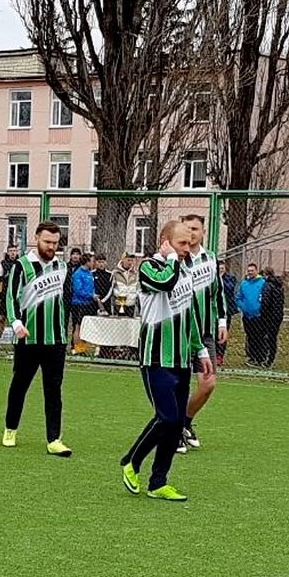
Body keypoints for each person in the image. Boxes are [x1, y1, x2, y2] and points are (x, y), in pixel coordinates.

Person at [120, 220, 215, 502]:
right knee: (168, 417)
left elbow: (190, 314)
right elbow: (166, 283)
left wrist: (200, 351)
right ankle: (131, 461)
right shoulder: (150, 267)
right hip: (155, 357)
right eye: (181, 244)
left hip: (180, 359)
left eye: (189, 243)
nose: (187, 249)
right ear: (165, 241)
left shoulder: (183, 268)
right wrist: (173, 258)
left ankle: (158, 482)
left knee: (175, 426)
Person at [2, 222, 72, 456]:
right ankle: (10, 428)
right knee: (20, 386)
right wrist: (16, 323)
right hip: (28, 340)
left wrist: (68, 330)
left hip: (56, 340)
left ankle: (54, 439)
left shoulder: (62, 266)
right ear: (36, 239)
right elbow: (11, 297)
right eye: (47, 242)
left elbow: (66, 301)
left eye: (55, 243)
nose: (51, 246)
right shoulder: (21, 266)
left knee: (54, 390)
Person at [179, 214, 228, 451]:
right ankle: (174, 430)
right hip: (181, 332)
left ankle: (185, 422)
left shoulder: (210, 259)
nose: (191, 233)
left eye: (195, 229)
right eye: (187, 229)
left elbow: (217, 293)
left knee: (208, 383)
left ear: (203, 231)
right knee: (179, 383)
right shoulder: (177, 259)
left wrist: (222, 321)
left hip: (205, 330)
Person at [237, 262, 267, 367]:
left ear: (256, 271)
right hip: (247, 315)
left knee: (259, 337)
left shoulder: (262, 283)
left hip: (259, 315)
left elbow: (265, 297)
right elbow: (239, 298)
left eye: (252, 270)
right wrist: (243, 307)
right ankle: (252, 357)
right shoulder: (244, 284)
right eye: (249, 271)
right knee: (250, 337)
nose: (250, 272)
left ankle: (261, 358)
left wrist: (260, 308)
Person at [68, 253, 99, 354]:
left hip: (88, 303)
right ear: (87, 262)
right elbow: (78, 290)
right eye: (92, 261)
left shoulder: (89, 273)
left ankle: (82, 348)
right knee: (78, 325)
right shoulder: (78, 274)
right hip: (79, 303)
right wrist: (90, 295)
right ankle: (77, 348)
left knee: (84, 327)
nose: (93, 263)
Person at [260, 267, 286, 367]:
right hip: (277, 315)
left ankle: (267, 358)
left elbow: (265, 302)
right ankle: (271, 357)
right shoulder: (279, 286)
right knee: (273, 337)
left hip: (269, 315)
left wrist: (263, 312)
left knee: (268, 337)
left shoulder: (267, 285)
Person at [220, 260, 239, 364]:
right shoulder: (212, 278)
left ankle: (220, 355)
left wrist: (221, 278)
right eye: (219, 268)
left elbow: (230, 288)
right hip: (215, 311)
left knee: (223, 332)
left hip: (227, 311)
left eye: (222, 268)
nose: (221, 270)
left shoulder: (230, 278)